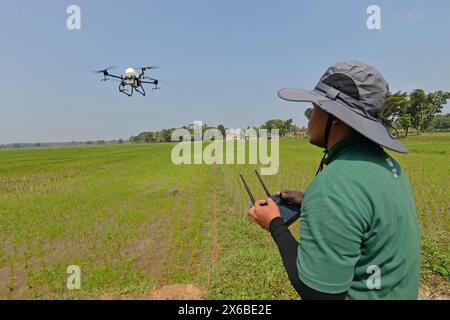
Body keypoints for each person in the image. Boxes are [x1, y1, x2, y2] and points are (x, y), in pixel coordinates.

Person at [248, 61, 421, 300]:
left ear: (335, 117)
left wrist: (275, 224)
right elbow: (363, 214)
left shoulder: (334, 187)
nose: (309, 118)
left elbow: (317, 293)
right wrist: (309, 200)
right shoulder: (386, 165)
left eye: (314, 108)